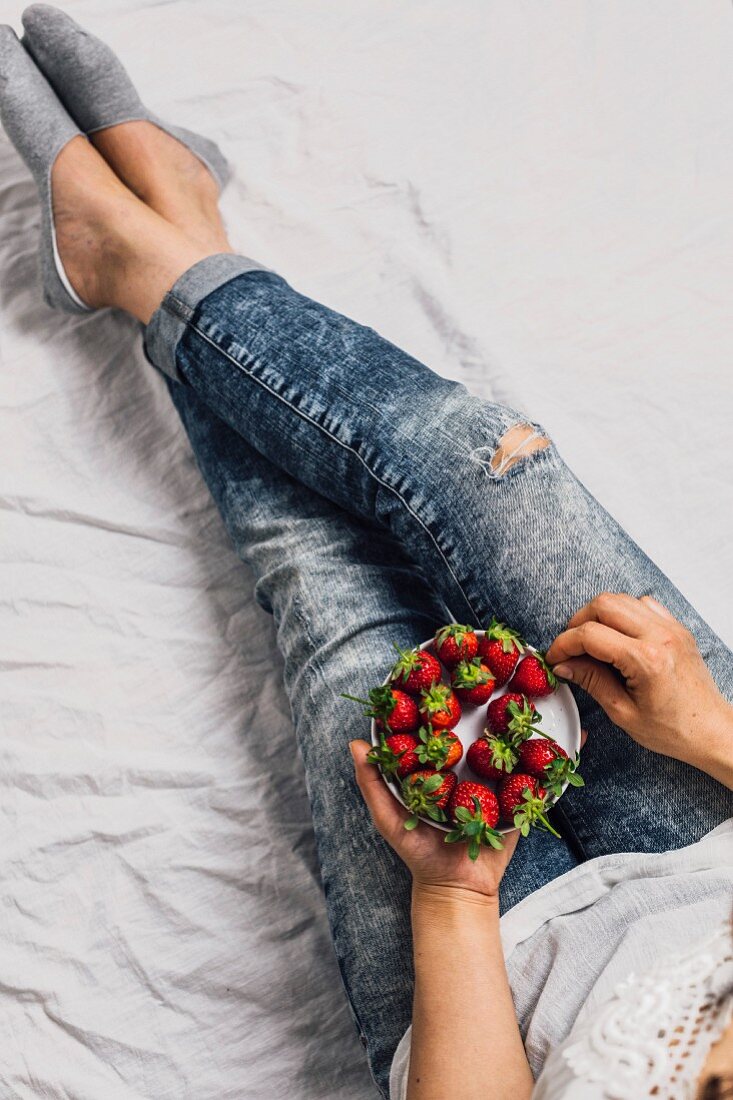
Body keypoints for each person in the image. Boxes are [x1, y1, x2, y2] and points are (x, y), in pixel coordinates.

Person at [2, 8, 732, 1098]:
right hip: (705, 813)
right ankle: (170, 247)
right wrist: (708, 722)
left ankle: (149, 243)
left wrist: (451, 898)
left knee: (322, 568)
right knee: (474, 458)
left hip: (497, 988)